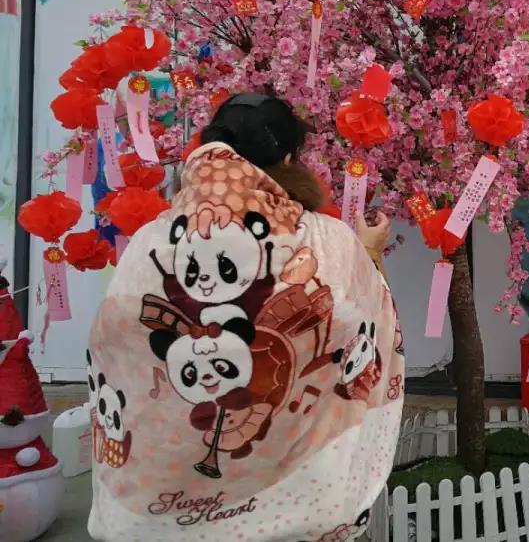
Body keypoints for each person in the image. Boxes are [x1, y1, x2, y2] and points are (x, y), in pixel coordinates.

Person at [88, 93, 404, 541]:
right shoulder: (326, 240)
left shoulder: (150, 242)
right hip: (302, 505)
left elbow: (114, 335)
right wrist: (368, 250)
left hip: (162, 503)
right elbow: (362, 322)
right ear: (289, 159)